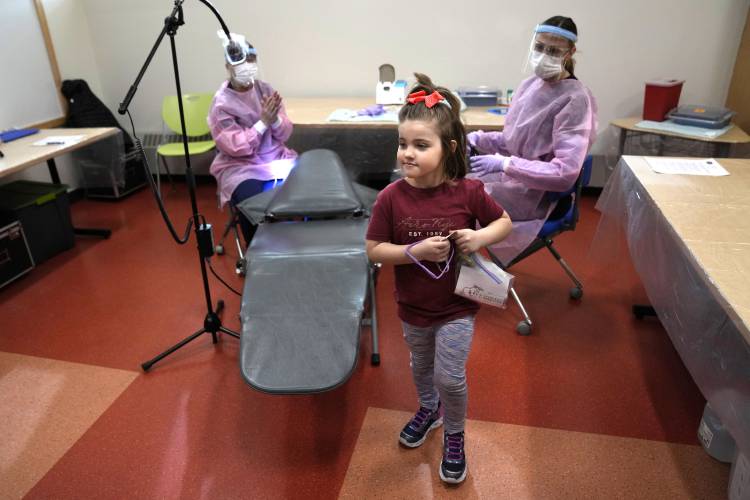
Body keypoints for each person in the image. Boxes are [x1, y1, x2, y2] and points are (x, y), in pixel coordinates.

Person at [366, 74, 512, 484]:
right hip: (413, 309)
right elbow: (374, 250)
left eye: (420, 145)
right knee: (421, 368)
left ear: (448, 149)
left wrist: (480, 235)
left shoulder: (467, 192)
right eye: (402, 144)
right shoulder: (390, 198)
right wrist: (413, 252)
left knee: (449, 375)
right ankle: (429, 409)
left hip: (456, 308)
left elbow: (504, 222)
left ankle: (454, 433)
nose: (407, 154)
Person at [467, 15, 597, 264]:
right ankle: (460, 270)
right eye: (539, 47)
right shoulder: (530, 86)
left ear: (570, 52)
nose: (543, 55)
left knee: (459, 201)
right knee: (453, 187)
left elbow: (565, 173)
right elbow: (514, 141)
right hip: (514, 181)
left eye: (553, 50)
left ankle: (469, 274)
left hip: (537, 196)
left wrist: (505, 165)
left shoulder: (575, 99)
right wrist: (478, 139)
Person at [207, 34, 297, 245]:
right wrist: (263, 122)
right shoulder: (221, 104)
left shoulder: (265, 90)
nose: (247, 66)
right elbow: (236, 147)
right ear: (228, 66)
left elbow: (284, 133)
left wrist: (274, 121)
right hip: (241, 167)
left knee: (306, 189)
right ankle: (258, 256)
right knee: (255, 205)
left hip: (276, 158)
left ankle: (295, 245)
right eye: (241, 61)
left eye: (251, 60)